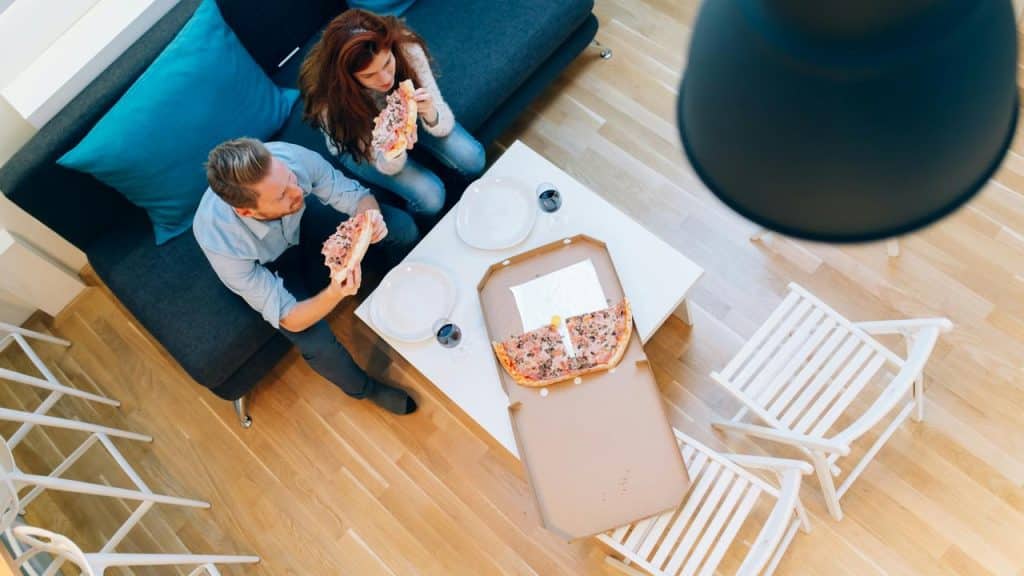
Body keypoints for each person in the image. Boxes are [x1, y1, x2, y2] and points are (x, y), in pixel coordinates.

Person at [193, 138, 419, 415]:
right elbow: (290, 317)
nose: (298, 190)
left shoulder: (290, 157)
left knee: (401, 226)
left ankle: (403, 285)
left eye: (290, 178)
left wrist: (370, 220)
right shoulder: (221, 243)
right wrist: (335, 293)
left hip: (304, 224)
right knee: (318, 344)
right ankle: (365, 389)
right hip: (270, 265)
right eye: (281, 195)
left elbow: (359, 198)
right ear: (246, 211)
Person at [299, 9, 486, 219]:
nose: (385, 79)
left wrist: (430, 113)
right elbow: (384, 163)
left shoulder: (406, 47)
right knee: (431, 197)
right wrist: (394, 149)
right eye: (369, 75)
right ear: (349, 78)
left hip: (404, 112)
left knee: (473, 157)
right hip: (355, 141)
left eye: (387, 62)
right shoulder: (330, 103)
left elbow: (443, 123)